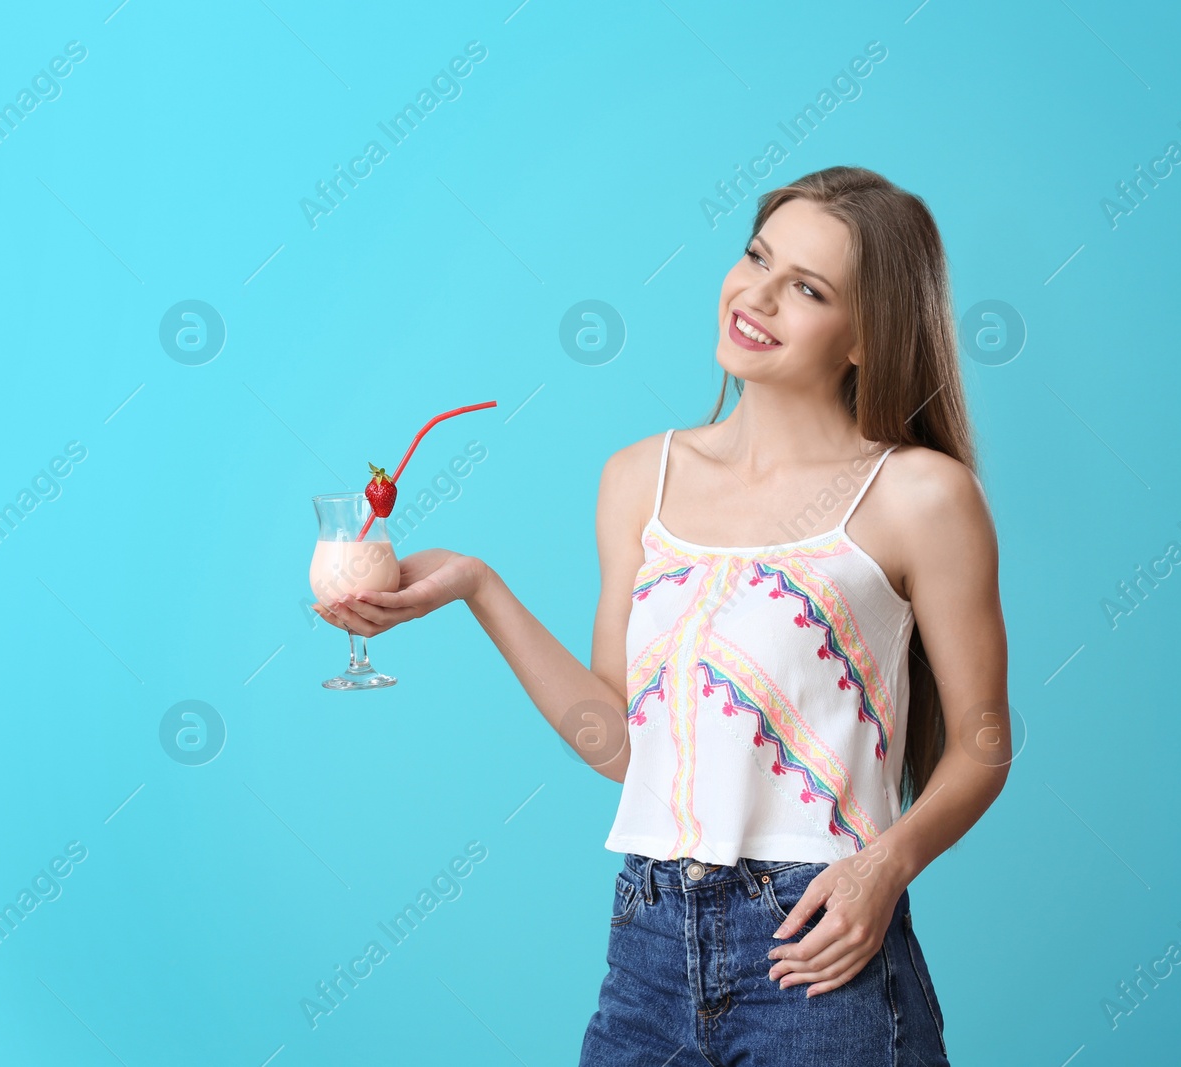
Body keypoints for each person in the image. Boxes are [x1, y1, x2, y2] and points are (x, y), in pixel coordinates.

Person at [311, 165, 1009, 1064]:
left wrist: (886, 866)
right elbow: (622, 747)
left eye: (806, 287)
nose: (755, 295)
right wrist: (478, 585)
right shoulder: (640, 478)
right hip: (646, 942)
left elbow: (984, 741)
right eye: (756, 256)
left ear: (867, 336)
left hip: (818, 943)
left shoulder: (921, 495)